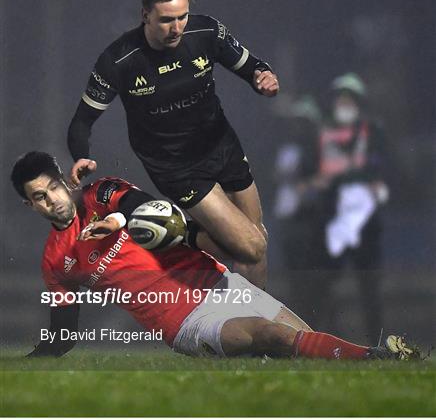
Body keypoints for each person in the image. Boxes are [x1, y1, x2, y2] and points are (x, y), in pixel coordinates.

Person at [10, 151, 418, 361]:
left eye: (53, 188)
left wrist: (117, 220)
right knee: (273, 337)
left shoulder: (101, 193)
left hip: (221, 283)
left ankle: (377, 364)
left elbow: (148, 209)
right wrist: (31, 360)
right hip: (184, 321)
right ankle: (378, 357)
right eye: (39, 198)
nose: (52, 201)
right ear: (31, 206)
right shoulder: (55, 261)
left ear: (65, 181)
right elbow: (63, 332)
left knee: (302, 347)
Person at [67, 0, 280, 289]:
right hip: (177, 167)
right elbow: (82, 120)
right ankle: (180, 234)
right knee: (252, 246)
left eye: (182, 17)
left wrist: (263, 77)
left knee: (255, 242)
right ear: (145, 15)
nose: (176, 27)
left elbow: (253, 67)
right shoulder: (119, 60)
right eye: (166, 20)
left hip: (222, 146)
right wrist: (80, 155)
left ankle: (261, 332)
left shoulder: (207, 31)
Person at [285, 74, 390, 340]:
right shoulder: (322, 133)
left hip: (364, 223)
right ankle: (323, 337)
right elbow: (306, 172)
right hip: (330, 220)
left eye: (349, 98)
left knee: (369, 285)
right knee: (322, 284)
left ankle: (376, 341)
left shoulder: (373, 131)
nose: (344, 102)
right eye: (340, 97)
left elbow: (382, 169)